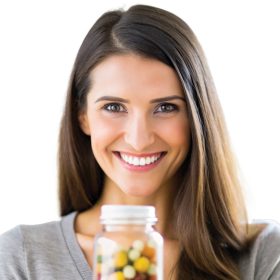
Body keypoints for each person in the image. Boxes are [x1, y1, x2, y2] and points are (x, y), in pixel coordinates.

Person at [0, 4, 279, 280]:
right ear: (82, 116)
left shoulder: (262, 255)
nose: (139, 139)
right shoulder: (23, 258)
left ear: (198, 118)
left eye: (166, 108)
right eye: (113, 107)